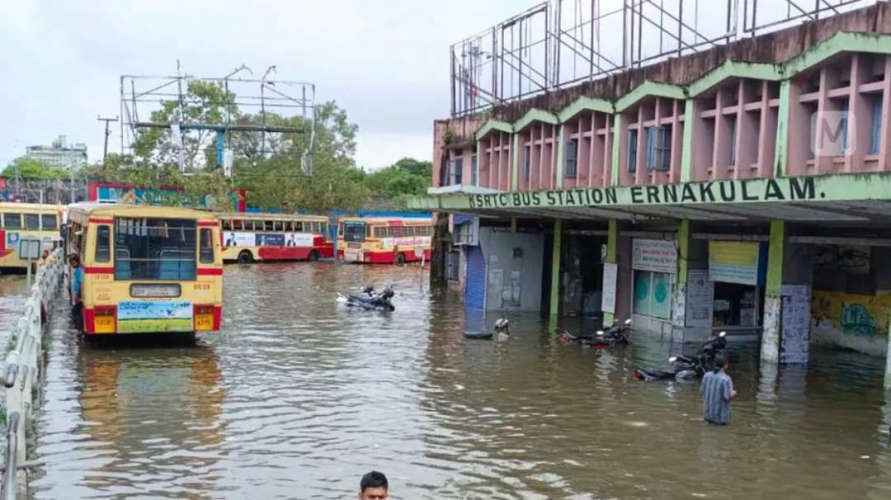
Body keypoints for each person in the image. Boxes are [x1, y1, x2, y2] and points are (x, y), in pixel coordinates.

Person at [700, 351, 736, 425]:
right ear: (726, 365)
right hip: (721, 418)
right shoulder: (726, 379)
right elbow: (727, 397)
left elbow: (701, 391)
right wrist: (733, 393)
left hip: (707, 416)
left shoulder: (706, 375)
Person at [69, 254, 84, 329]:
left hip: (79, 297)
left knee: (75, 313)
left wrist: (78, 296)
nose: (72, 265)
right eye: (71, 264)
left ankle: (78, 329)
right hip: (77, 295)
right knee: (75, 313)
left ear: (78, 262)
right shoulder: (77, 270)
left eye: (73, 263)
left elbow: (81, 284)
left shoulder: (80, 271)